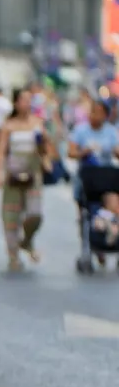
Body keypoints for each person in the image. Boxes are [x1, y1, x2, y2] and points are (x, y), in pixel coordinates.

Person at [0, 89, 52, 271]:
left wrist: (44, 144)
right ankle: (13, 256)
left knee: (35, 214)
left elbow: (45, 150)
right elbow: (1, 151)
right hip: (13, 174)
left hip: (32, 173)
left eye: (29, 100)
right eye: (23, 100)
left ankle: (27, 240)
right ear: (16, 103)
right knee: (11, 217)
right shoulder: (8, 125)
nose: (26, 104)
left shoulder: (38, 124)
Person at [68, 99, 119, 267]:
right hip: (87, 179)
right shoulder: (81, 131)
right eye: (92, 112)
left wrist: (113, 150)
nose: (93, 116)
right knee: (85, 213)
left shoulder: (111, 132)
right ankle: (91, 245)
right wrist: (85, 151)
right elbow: (71, 152)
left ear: (105, 115)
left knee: (112, 208)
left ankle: (106, 241)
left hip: (107, 179)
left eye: (98, 112)